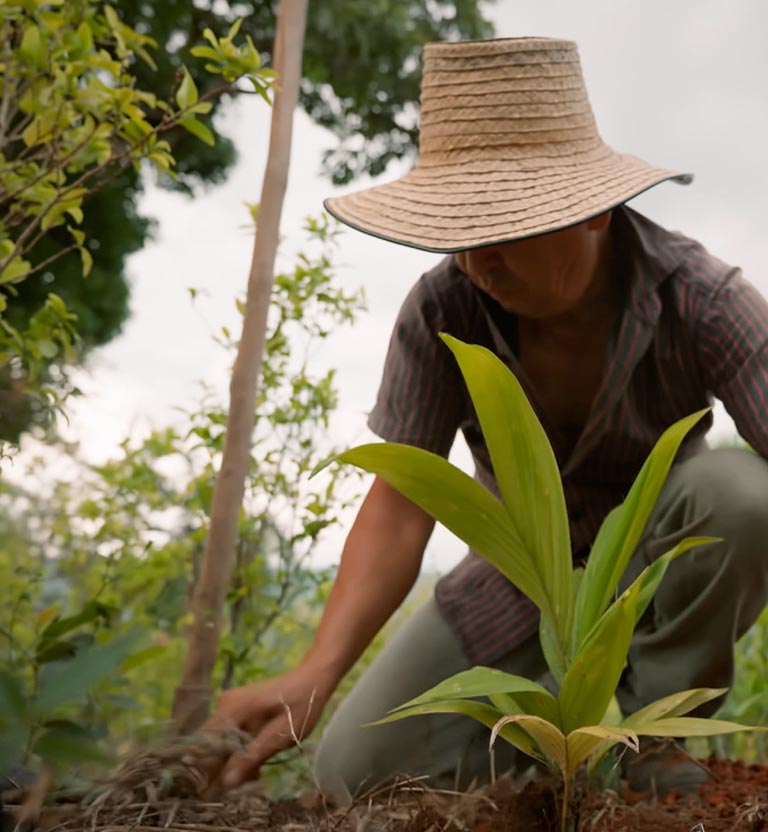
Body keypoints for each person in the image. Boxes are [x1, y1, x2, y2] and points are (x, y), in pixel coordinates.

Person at [208, 37, 768, 800]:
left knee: (741, 494)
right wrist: (316, 671)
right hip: (516, 581)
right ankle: (558, 771)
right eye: (462, 235)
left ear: (594, 212)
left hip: (658, 570)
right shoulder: (444, 310)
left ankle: (653, 747)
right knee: (355, 774)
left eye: (505, 230)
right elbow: (403, 503)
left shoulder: (702, 300)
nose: (479, 264)